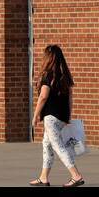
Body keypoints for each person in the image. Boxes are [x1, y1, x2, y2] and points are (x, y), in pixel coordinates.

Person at [30, 44, 84, 186]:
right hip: (61, 116)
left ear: (48, 58)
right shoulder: (64, 75)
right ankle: (43, 177)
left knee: (58, 146)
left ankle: (76, 175)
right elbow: (70, 98)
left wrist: (35, 115)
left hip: (50, 117)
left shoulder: (48, 75)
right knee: (47, 144)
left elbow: (43, 96)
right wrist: (68, 115)